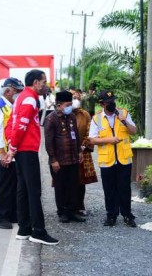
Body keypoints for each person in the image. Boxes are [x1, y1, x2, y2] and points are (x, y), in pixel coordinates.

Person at [5, 69, 59, 245]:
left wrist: (12, 146)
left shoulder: (21, 97)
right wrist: (12, 147)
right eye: (44, 82)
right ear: (36, 82)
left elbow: (11, 124)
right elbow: (20, 125)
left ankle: (24, 228)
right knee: (34, 191)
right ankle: (38, 231)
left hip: (22, 149)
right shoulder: (29, 98)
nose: (45, 85)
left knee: (23, 189)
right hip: (26, 149)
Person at [88, 90, 137, 227]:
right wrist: (109, 140)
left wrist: (125, 121)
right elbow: (92, 139)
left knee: (124, 188)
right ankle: (111, 216)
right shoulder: (96, 119)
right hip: (107, 160)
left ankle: (127, 215)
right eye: (109, 102)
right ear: (102, 104)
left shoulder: (123, 113)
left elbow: (134, 131)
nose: (112, 104)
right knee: (109, 190)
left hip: (124, 158)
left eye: (113, 101)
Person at [0, 77, 24, 229]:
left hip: (12, 152)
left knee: (14, 183)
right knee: (4, 185)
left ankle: (12, 213)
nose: (19, 94)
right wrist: (3, 153)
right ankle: (2, 216)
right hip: (2, 152)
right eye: (17, 91)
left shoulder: (11, 105)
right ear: (8, 91)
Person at [44, 91, 85, 223]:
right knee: (61, 187)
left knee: (73, 186)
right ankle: (62, 212)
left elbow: (76, 136)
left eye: (71, 104)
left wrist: (79, 152)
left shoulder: (72, 117)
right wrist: (53, 160)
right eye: (68, 104)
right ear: (59, 105)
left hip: (72, 158)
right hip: (59, 161)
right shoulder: (51, 118)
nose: (70, 107)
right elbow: (48, 141)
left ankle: (73, 211)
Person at [71, 90, 97, 215]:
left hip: (82, 151)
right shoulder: (64, 114)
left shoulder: (85, 114)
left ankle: (80, 206)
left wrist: (83, 146)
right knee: (68, 180)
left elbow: (90, 132)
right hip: (67, 153)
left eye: (77, 97)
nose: (76, 100)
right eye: (73, 98)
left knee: (81, 181)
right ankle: (67, 207)